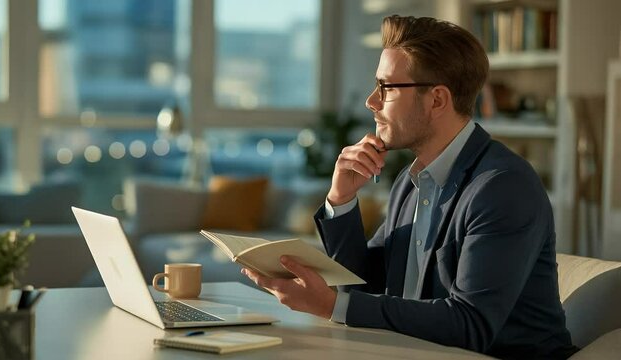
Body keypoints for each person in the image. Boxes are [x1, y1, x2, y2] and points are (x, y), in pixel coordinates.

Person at [242, 15, 577, 359]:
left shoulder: (503, 188)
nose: (371, 101)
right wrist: (341, 200)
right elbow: (365, 284)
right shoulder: (411, 181)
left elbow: (470, 325)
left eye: (386, 87)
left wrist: (333, 306)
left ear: (436, 100)